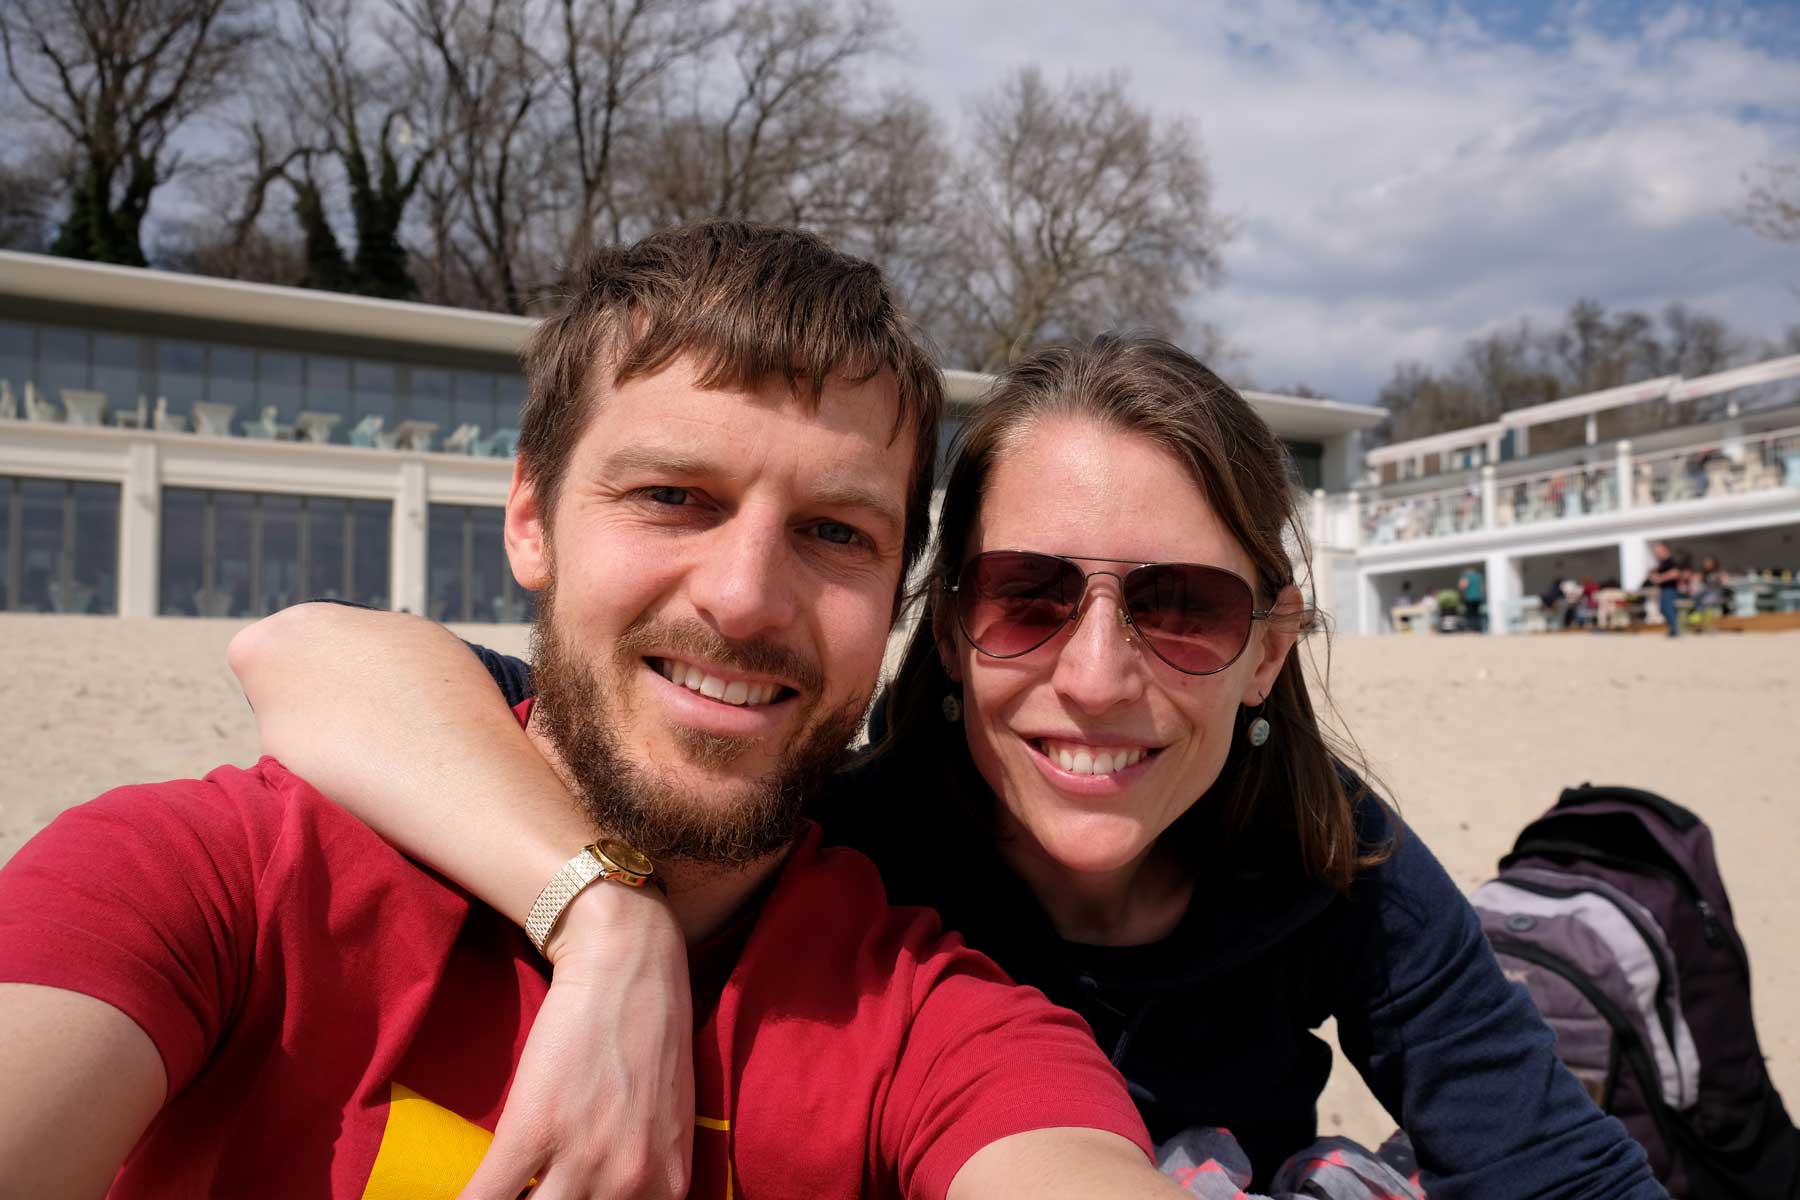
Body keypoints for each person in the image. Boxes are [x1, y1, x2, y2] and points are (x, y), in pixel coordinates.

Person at [236, 336, 1664, 1198]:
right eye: (1029, 594)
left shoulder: (1329, 855)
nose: (1098, 676)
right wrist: (601, 919)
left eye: (1181, 607)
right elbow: (309, 651)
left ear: (1270, 649)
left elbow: (1548, 1172)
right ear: (950, 623)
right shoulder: (820, 826)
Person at [0, 223, 1179, 1200]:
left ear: (896, 602)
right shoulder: (217, 882)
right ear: (529, 519)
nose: (746, 597)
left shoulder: (935, 1023)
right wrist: (611, 920)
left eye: (836, 532)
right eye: (674, 497)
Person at [1646, 541, 1684, 637]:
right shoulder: (1662, 563)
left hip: (1670, 589)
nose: (1657, 554)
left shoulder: (1670, 561)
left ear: (1665, 550)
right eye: (1656, 552)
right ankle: (1673, 629)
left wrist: (1660, 578)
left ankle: (1675, 629)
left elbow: (1675, 573)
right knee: (1663, 609)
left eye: (1658, 551)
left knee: (1668, 609)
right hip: (1664, 590)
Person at [1457, 565, 1485, 632]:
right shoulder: (1478, 576)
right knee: (1477, 613)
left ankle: (1471, 628)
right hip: (1478, 598)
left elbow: (1462, 586)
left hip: (1469, 598)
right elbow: (1482, 588)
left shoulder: (1466, 576)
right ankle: (1478, 628)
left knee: (1470, 613)